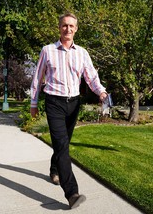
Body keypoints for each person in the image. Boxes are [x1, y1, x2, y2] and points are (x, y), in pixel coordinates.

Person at [30, 12, 107, 209]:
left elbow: (91, 77)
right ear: (59, 27)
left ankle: (54, 169)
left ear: (76, 29)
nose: (68, 29)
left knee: (63, 143)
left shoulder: (82, 53)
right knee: (62, 145)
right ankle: (71, 192)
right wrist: (33, 103)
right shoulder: (47, 50)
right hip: (54, 102)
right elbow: (37, 77)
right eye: (65, 25)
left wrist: (101, 92)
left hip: (73, 103)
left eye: (72, 26)